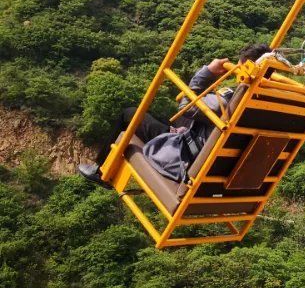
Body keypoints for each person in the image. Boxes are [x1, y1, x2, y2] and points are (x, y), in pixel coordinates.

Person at [78, 42, 271, 187]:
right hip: (216, 167)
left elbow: (186, 106)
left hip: (184, 157)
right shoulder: (269, 103)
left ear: (245, 69)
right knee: (164, 117)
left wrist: (207, 73)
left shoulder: (234, 98)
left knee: (130, 114)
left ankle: (102, 170)